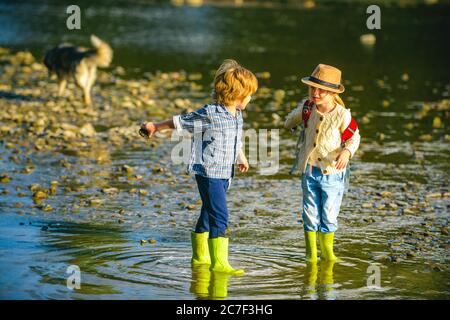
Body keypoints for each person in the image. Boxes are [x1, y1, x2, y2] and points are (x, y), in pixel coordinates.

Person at [140, 59, 258, 275]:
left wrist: (240, 156)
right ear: (237, 94)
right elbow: (181, 122)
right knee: (220, 215)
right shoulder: (210, 113)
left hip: (225, 172)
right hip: (209, 171)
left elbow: (236, 138)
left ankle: (199, 257)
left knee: (208, 212)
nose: (251, 98)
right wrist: (155, 126)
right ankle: (219, 263)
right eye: (249, 94)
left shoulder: (237, 115)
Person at [284, 64, 361, 263]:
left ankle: (328, 253)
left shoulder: (342, 115)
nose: (315, 93)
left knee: (328, 213)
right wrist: (291, 122)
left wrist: (347, 151)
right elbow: (289, 121)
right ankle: (310, 254)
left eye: (321, 90)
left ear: (333, 93)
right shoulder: (307, 108)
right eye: (312, 88)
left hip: (332, 172)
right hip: (309, 170)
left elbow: (355, 138)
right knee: (309, 212)